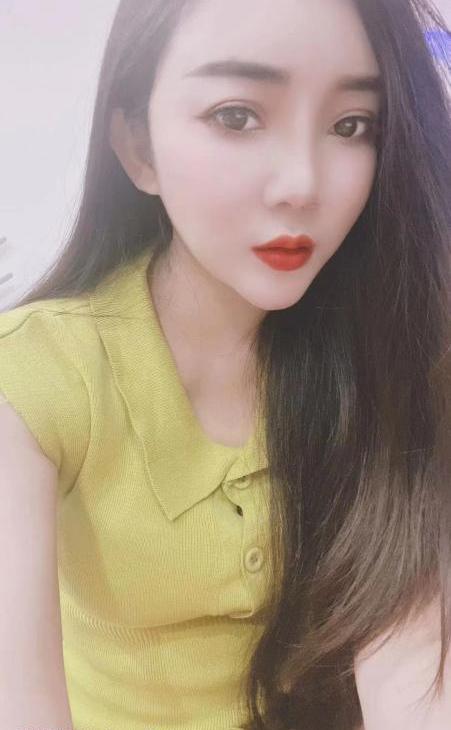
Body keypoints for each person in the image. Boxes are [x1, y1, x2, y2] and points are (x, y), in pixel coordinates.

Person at [0, 0, 450, 728]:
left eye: (350, 125)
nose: (302, 184)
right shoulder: (34, 377)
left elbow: (415, 662)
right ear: (138, 147)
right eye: (237, 116)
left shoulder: (394, 352)